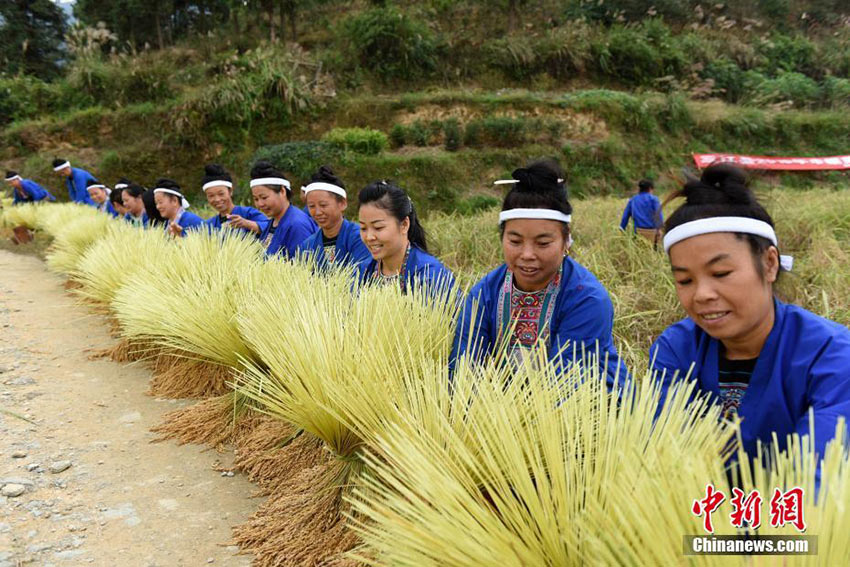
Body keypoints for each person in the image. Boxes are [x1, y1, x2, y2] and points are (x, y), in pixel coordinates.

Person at [650, 163, 850, 464]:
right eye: (685, 280)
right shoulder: (677, 350)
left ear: (769, 264)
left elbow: (819, 470)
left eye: (721, 272)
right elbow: (665, 456)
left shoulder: (830, 353)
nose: (702, 294)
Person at [450, 160, 627, 388]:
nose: (527, 254)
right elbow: (464, 367)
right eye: (515, 241)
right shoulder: (484, 293)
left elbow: (567, 385)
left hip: (588, 407)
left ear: (566, 241)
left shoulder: (587, 299)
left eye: (542, 243)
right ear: (502, 238)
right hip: (501, 411)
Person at [357, 180, 454, 294]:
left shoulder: (431, 276)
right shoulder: (364, 271)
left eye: (378, 227)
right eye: (363, 228)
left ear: (404, 225)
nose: (369, 237)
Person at [295, 166, 372, 270]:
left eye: (323, 205)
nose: (317, 212)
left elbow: (361, 276)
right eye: (311, 206)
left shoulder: (359, 238)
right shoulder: (307, 245)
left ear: (342, 204)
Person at [250, 161, 316, 258]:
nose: (260, 204)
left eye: (264, 197)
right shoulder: (273, 221)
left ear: (282, 191)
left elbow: (303, 268)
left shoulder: (297, 225)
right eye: (256, 199)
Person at [200, 164, 269, 236]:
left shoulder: (248, 213)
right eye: (211, 196)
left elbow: (270, 228)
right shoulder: (209, 225)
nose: (217, 199)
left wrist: (247, 224)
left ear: (230, 191)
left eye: (221, 194)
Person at [620, 179, 663, 247]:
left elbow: (625, 216)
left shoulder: (633, 199)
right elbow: (658, 215)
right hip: (652, 232)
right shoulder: (654, 199)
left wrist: (622, 228)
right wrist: (659, 229)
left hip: (638, 231)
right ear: (650, 189)